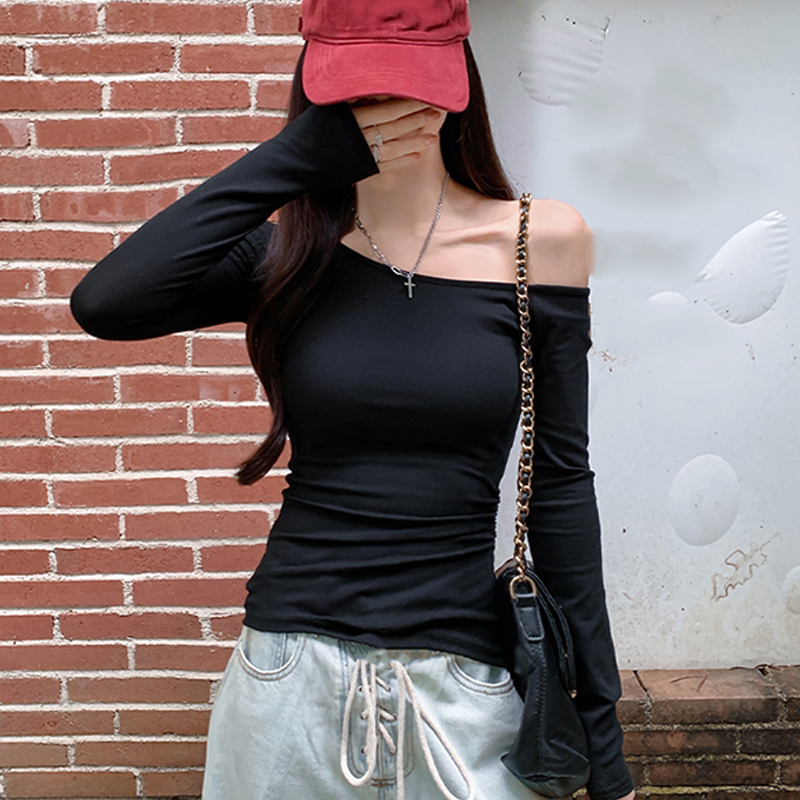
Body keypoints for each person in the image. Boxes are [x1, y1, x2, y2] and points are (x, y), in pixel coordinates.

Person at [70, 1, 636, 799]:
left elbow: (562, 488)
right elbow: (104, 303)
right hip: (286, 680)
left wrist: (601, 740)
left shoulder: (536, 242)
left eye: (411, 85)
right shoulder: (286, 255)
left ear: (457, 84)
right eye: (358, 94)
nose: (387, 110)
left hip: (463, 688)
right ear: (319, 99)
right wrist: (296, 159)